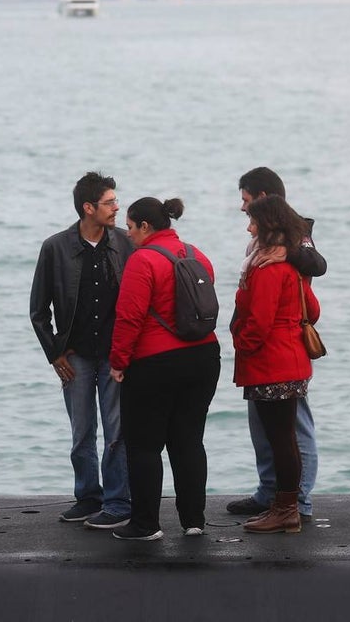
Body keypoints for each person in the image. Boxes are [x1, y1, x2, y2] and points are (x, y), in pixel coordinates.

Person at [109, 197, 221, 541]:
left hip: (154, 364)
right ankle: (193, 520)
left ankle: (145, 524)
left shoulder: (142, 260)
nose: (127, 234)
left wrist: (118, 362)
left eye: (129, 227)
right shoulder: (196, 254)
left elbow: (129, 316)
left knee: (144, 446)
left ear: (145, 227)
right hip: (204, 357)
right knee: (189, 441)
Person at [29, 172, 133, 529]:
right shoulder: (55, 247)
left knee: (118, 431)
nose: (117, 207)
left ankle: (119, 502)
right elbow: (38, 309)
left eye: (116, 201)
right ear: (88, 208)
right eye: (109, 202)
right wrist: (54, 353)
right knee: (82, 432)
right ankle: (88, 496)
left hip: (115, 354)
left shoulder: (124, 242)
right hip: (75, 354)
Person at [227, 167, 326, 522]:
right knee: (272, 430)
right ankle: (274, 494)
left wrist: (241, 339)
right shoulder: (263, 252)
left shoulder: (290, 246)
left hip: (273, 358)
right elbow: (310, 307)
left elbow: (317, 265)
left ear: (265, 203)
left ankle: (295, 502)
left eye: (246, 202)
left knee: (291, 434)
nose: (244, 214)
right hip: (290, 357)